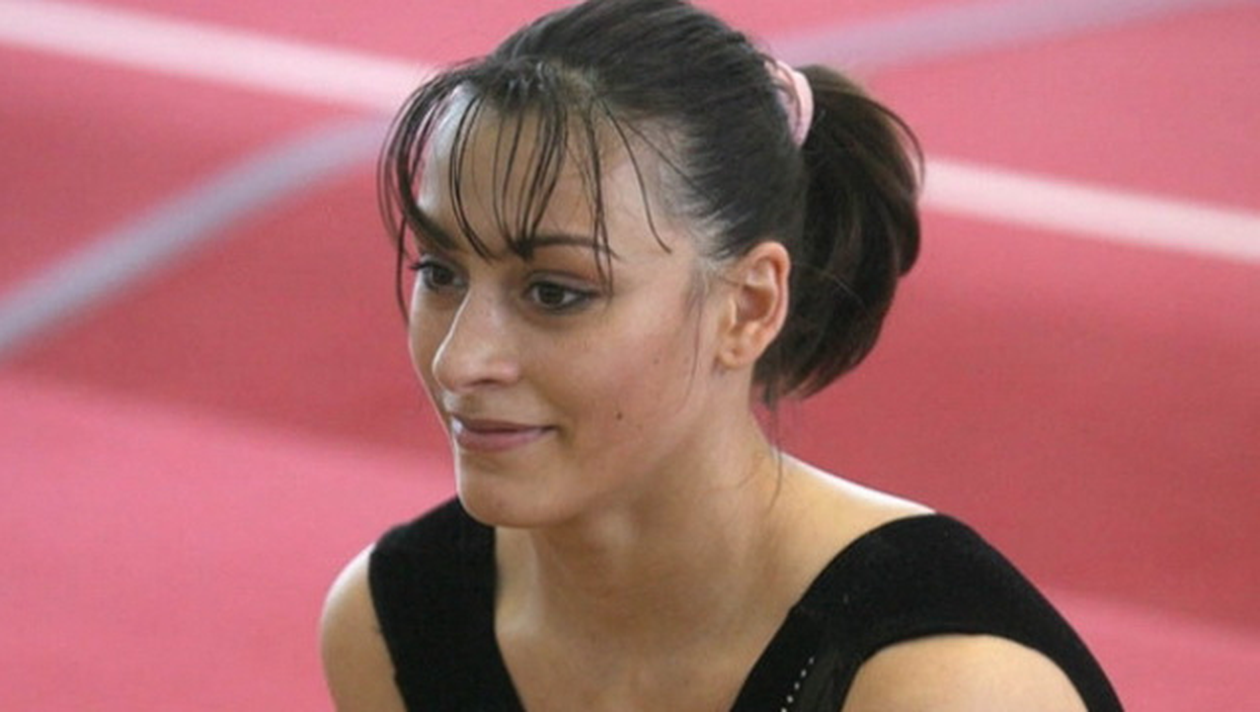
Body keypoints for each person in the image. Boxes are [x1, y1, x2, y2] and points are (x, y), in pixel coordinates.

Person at [320, 0, 1122, 709]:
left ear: (749, 307)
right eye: (440, 273)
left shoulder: (943, 686)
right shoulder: (396, 623)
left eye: (555, 293)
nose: (461, 361)